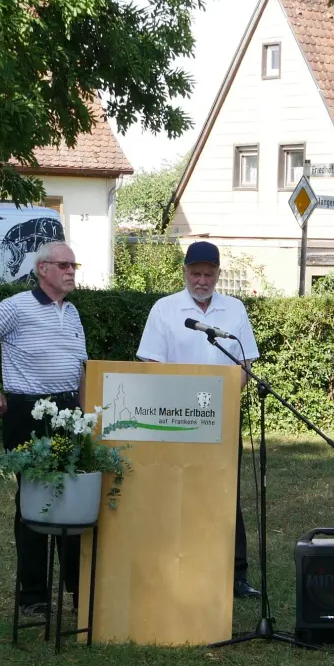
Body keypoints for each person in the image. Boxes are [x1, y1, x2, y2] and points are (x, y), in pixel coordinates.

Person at [0, 242, 87, 617]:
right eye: (63, 265)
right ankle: (33, 596)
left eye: (74, 264)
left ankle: (79, 592)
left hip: (68, 412)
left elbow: (81, 369)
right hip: (28, 412)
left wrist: (86, 416)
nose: (71, 270)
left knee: (73, 500)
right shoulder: (17, 306)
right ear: (42, 269)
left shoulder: (72, 312)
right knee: (33, 500)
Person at [135, 240, 263, 599]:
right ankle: (174, 564)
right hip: (174, 418)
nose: (202, 280)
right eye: (196, 273)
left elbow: (244, 364)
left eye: (209, 274)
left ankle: (235, 574)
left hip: (222, 417)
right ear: (185, 273)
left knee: (227, 492)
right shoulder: (165, 309)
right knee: (175, 489)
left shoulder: (234, 309)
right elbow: (151, 363)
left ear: (218, 275)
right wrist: (186, 402)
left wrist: (221, 403)